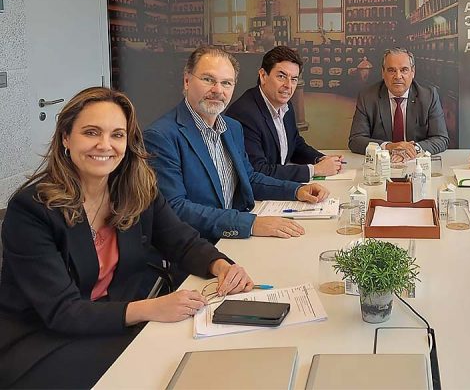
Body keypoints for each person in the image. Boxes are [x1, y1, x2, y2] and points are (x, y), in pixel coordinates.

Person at [0, 87, 253, 388]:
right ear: (66, 138)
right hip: (43, 339)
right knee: (159, 373)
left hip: (112, 324)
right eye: (91, 132)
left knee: (198, 361)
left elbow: (181, 242)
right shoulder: (31, 209)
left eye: (117, 135)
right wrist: (152, 308)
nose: (105, 145)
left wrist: (221, 266)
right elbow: (62, 311)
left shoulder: (136, 190)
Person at [144, 46, 329, 243]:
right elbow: (175, 208)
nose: (218, 90)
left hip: (232, 238)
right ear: (187, 81)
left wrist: (296, 190)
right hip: (195, 246)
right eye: (208, 79)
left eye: (226, 83)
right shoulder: (161, 136)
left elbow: (249, 178)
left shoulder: (232, 127)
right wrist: (249, 224)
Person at [226, 46, 343, 183]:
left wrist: (320, 159)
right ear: (263, 76)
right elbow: (258, 171)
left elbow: (295, 143)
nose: (288, 85)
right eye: (281, 76)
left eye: (294, 79)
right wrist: (315, 170)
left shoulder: (285, 105)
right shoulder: (245, 114)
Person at [348, 48, 449, 157]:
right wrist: (388, 147)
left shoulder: (428, 96)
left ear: (413, 72)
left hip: (415, 161)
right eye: (391, 70)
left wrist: (413, 149)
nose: (398, 76)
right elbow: (356, 140)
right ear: (383, 73)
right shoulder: (367, 97)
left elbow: (441, 138)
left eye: (404, 70)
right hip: (382, 161)